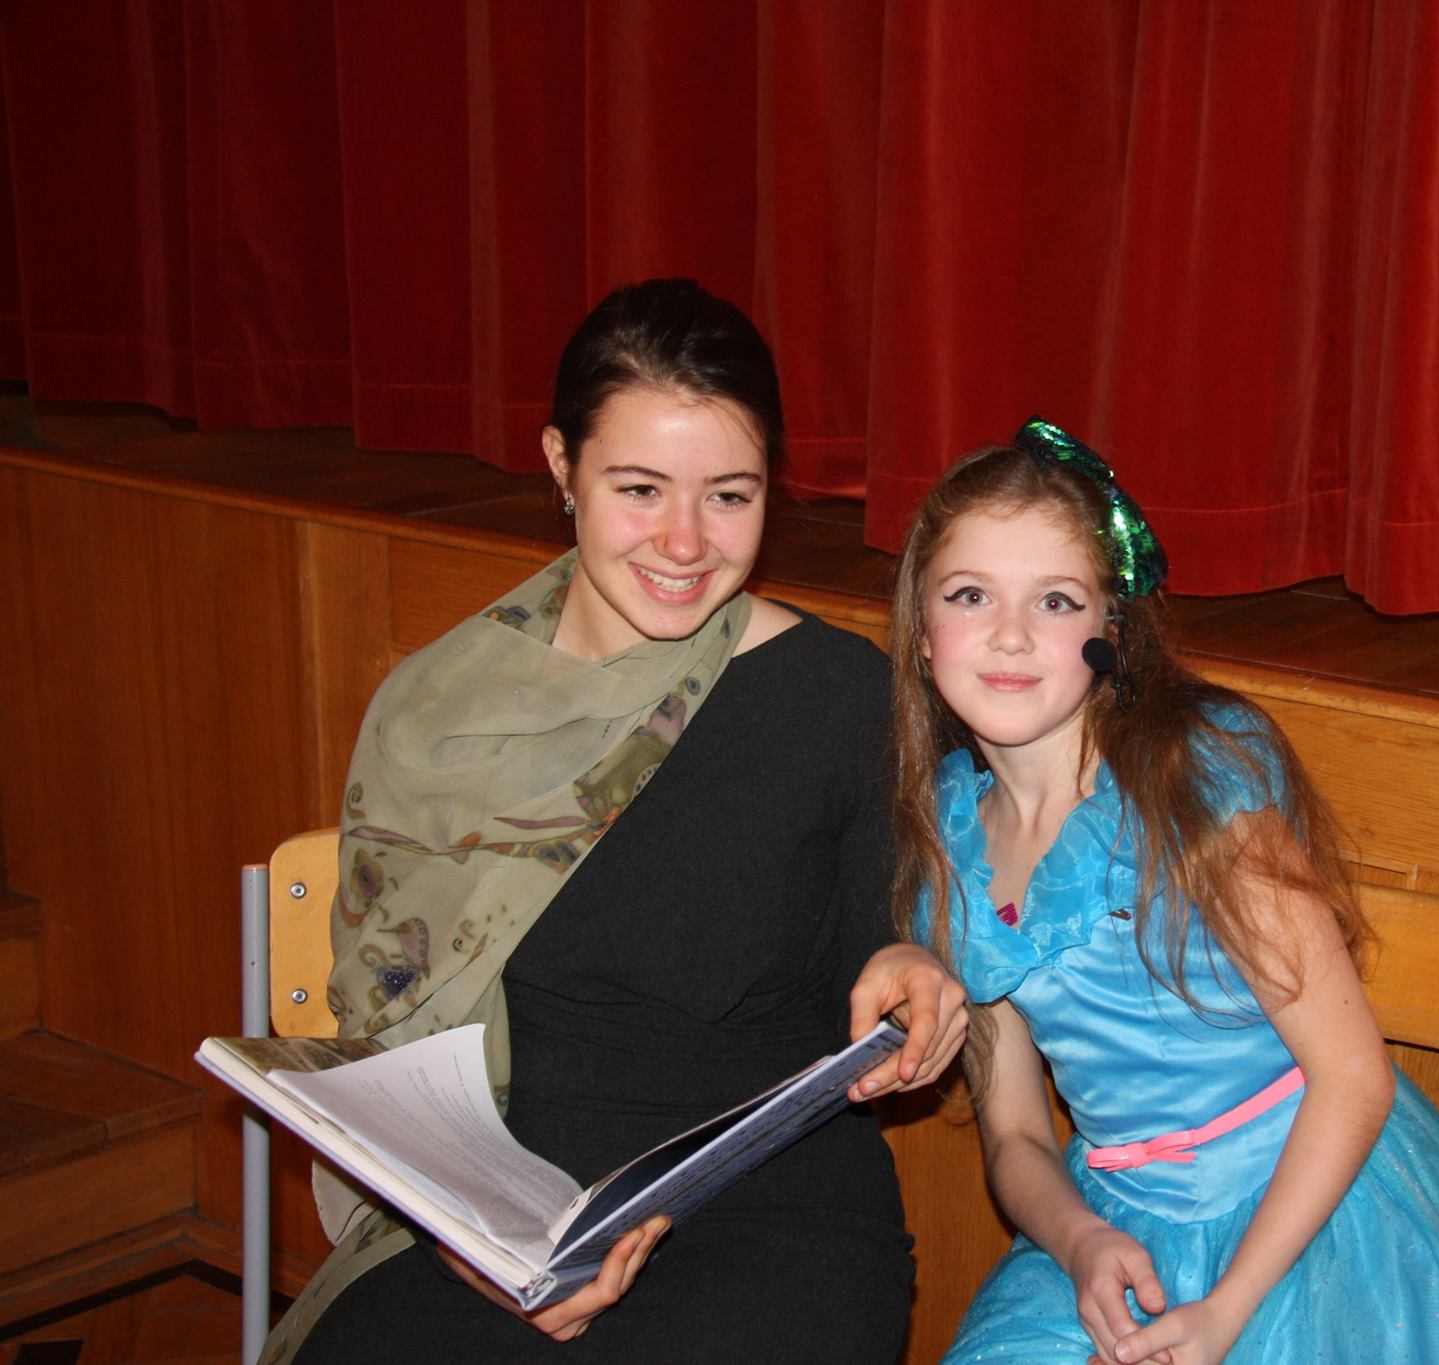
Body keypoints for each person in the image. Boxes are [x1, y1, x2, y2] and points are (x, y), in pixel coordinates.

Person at [269, 279, 967, 1363]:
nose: (684, 542)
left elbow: (877, 944)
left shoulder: (838, 696)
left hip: (767, 1203)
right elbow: (388, 1037)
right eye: (640, 489)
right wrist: (472, 1237)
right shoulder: (442, 714)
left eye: (728, 495)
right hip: (497, 1195)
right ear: (562, 466)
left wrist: (908, 968)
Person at [889, 419, 1439, 1364]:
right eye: (971, 595)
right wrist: (1079, 1240)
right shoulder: (950, 847)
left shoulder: (1196, 784)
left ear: (1110, 632)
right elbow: (1015, 1133)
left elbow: (1353, 1077)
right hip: (1114, 1219)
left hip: (1310, 1214)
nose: (1010, 633)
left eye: (1055, 599)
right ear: (923, 635)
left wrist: (1227, 1312)